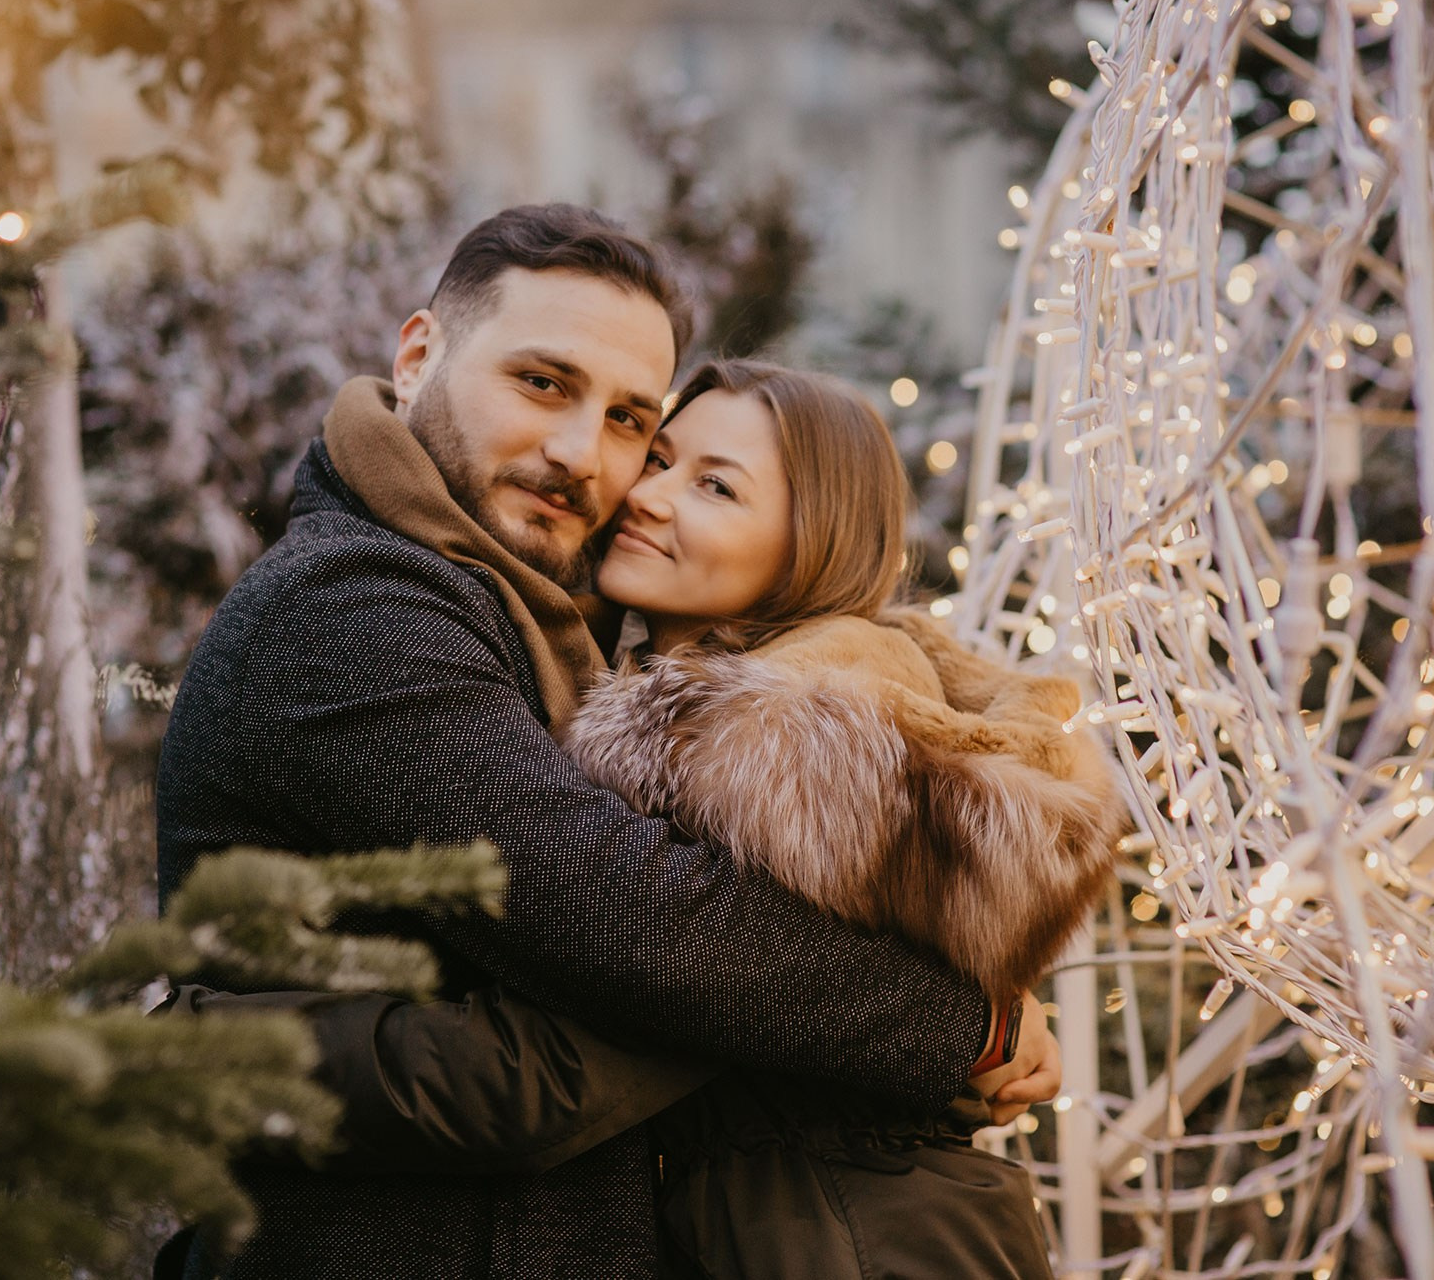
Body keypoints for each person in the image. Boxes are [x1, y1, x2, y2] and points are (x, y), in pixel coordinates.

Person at [154, 205, 1061, 1280]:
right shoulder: (351, 606)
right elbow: (632, 923)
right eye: (542, 382)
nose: (584, 456)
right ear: (417, 356)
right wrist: (960, 1023)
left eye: (629, 418)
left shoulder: (562, 628)